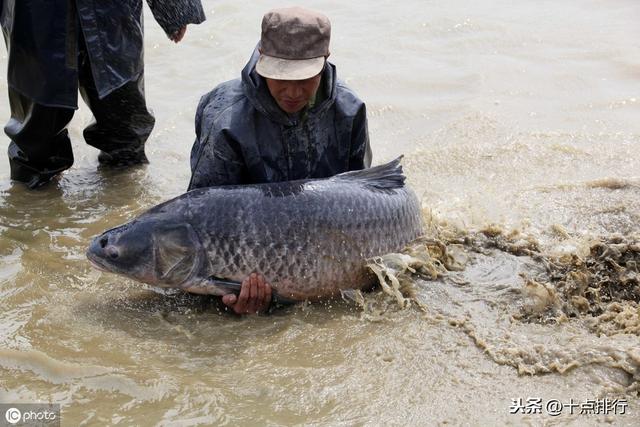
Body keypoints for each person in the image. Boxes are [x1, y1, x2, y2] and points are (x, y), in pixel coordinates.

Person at [188, 7, 372, 314]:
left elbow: (361, 197)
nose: (292, 91)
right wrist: (230, 287)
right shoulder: (224, 119)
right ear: (261, 57)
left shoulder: (349, 110)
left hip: (325, 238)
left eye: (305, 79)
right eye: (280, 78)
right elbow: (204, 216)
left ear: (325, 60)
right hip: (249, 246)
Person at [0, 0, 206, 189]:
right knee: (36, 135)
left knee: (124, 122)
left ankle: (123, 203)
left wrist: (173, 8)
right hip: (34, 11)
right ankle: (34, 213)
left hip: (111, 11)